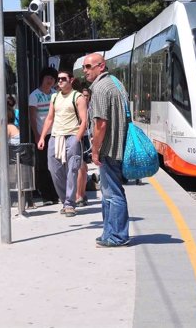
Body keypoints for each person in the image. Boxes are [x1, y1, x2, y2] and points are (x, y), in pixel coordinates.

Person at [83, 53, 130, 247]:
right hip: (119, 145)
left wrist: (95, 150)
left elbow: (101, 124)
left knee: (113, 193)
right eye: (84, 67)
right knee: (110, 192)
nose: (85, 70)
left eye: (88, 66)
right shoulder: (116, 83)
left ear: (101, 66)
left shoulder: (101, 89)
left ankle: (117, 236)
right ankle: (109, 233)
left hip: (109, 148)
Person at [38, 70, 87, 217]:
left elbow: (84, 120)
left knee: (72, 170)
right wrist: (42, 137)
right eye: (58, 79)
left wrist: (77, 139)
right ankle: (64, 199)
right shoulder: (54, 97)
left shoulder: (78, 97)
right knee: (54, 170)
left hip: (72, 136)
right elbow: (49, 118)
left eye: (63, 79)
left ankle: (69, 204)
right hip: (55, 137)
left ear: (71, 80)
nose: (59, 81)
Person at [29, 66, 59, 205]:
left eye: (52, 78)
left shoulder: (55, 94)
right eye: (48, 77)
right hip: (42, 135)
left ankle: (55, 194)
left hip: (55, 135)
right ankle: (46, 195)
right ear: (42, 78)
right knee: (43, 165)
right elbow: (33, 117)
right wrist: (36, 135)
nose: (50, 80)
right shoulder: (34, 95)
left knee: (55, 164)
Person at [76, 86, 92, 207]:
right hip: (78, 137)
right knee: (80, 166)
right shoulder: (77, 107)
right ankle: (79, 195)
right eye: (83, 95)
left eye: (87, 96)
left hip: (87, 138)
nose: (85, 98)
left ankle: (82, 193)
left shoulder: (91, 108)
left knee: (84, 167)